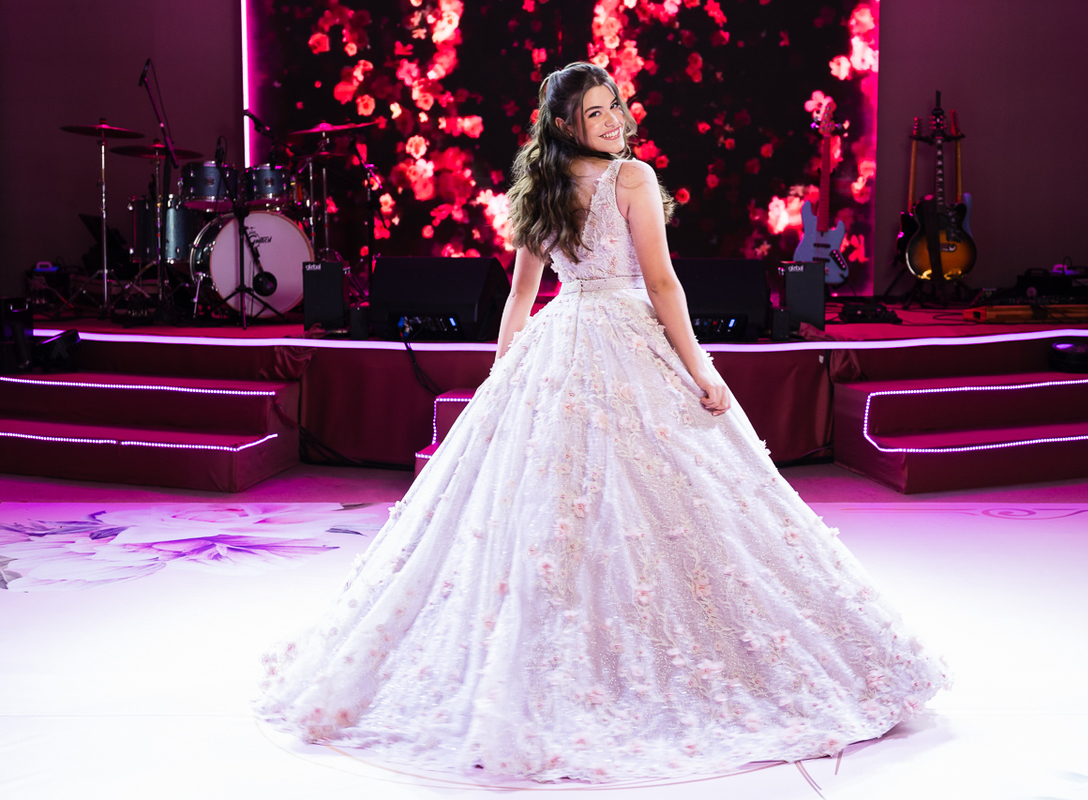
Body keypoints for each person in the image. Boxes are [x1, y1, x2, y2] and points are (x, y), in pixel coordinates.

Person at [257, 62, 948, 783]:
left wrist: (503, 376)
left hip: (563, 337)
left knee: (573, 506)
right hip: (619, 331)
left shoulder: (541, 188)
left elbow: (523, 297)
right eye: (595, 113)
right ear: (565, 125)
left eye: (614, 105)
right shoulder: (631, 179)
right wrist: (701, 371)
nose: (614, 120)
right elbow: (660, 283)